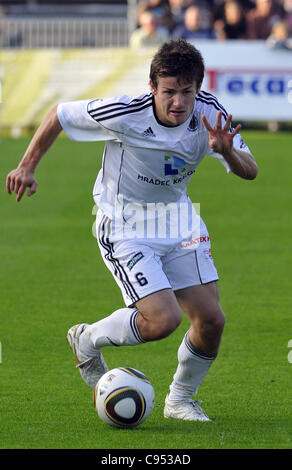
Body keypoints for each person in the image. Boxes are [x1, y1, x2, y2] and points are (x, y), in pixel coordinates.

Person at [6, 39, 258, 422]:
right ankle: (87, 339)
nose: (178, 102)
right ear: (153, 87)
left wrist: (226, 151)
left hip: (178, 221)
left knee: (211, 321)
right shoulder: (126, 112)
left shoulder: (209, 113)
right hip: (126, 225)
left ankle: (179, 401)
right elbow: (59, 113)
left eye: (186, 92)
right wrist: (27, 166)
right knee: (162, 321)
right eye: (169, 92)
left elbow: (250, 170)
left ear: (198, 88)